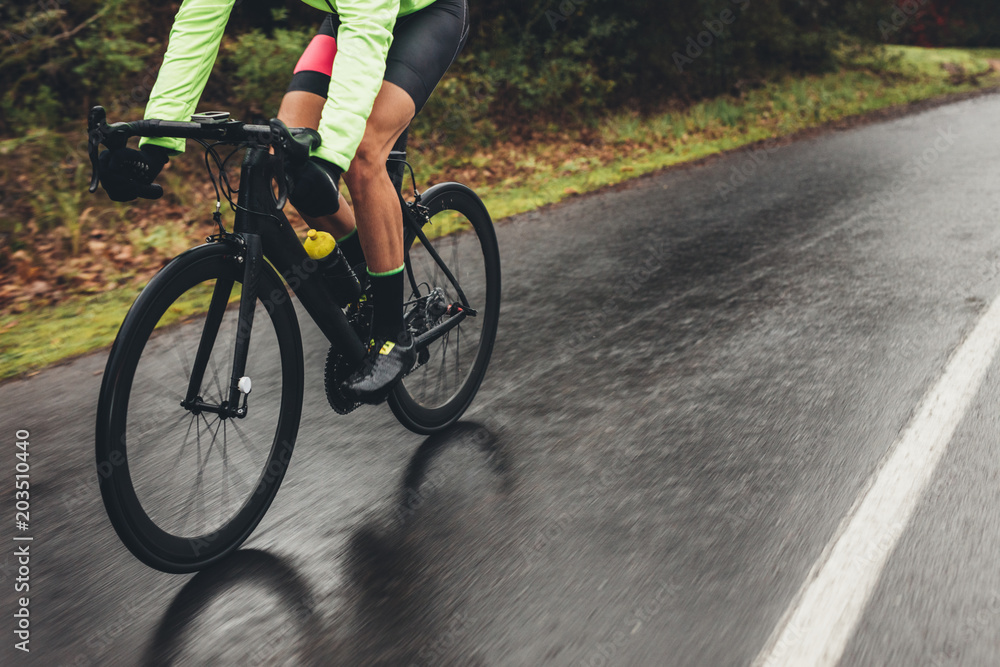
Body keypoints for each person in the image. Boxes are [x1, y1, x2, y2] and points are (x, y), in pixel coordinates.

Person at [98, 0, 470, 404]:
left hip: (421, 14)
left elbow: (366, 30)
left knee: (362, 154)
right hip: (350, 18)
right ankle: (365, 274)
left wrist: (329, 160)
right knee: (284, 158)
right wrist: (154, 145)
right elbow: (197, 22)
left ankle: (392, 336)